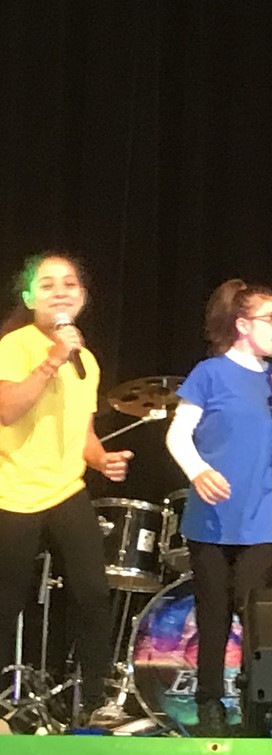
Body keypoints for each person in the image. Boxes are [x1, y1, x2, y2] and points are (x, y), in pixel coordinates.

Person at [0, 251, 133, 725]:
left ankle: (95, 700)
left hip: (64, 489)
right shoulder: (15, 345)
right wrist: (52, 359)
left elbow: (82, 431)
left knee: (93, 593)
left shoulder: (87, 360)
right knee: (7, 603)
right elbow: (7, 410)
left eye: (70, 284)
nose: (60, 292)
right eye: (48, 284)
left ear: (83, 297)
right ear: (28, 298)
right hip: (12, 489)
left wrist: (101, 459)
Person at [165, 278, 272, 736]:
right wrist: (199, 471)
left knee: (253, 611)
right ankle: (209, 702)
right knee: (213, 612)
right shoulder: (211, 373)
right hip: (211, 517)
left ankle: (254, 700)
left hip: (257, 517)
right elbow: (177, 434)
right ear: (243, 325)